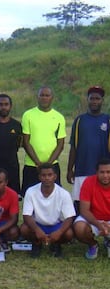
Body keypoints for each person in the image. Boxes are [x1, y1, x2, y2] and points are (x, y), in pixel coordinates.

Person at [67, 86, 109, 214]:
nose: (94, 101)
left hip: (103, 170)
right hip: (83, 168)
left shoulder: (107, 120)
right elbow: (73, 146)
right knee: (80, 203)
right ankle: (79, 227)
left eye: (97, 98)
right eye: (92, 98)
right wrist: (70, 169)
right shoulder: (79, 120)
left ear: (102, 100)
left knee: (102, 201)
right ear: (88, 100)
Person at [20, 163, 75, 258]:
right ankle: (37, 243)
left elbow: (70, 217)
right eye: (43, 175)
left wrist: (59, 232)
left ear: (55, 177)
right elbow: (26, 215)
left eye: (50, 175)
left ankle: (56, 243)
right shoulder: (31, 191)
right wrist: (37, 230)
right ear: (39, 177)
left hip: (56, 225)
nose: (47, 178)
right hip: (38, 225)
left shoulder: (63, 193)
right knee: (24, 229)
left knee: (69, 233)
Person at [21, 86, 66, 196]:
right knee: (30, 197)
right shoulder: (28, 115)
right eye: (42, 95)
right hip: (32, 165)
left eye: (47, 95)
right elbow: (26, 142)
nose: (44, 98)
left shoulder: (59, 117)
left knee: (54, 197)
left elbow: (60, 144)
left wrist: (49, 164)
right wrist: (38, 162)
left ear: (52, 98)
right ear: (37, 97)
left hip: (52, 165)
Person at [73, 158, 110, 260]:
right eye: (102, 172)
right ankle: (93, 244)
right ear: (96, 172)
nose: (105, 175)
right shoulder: (89, 182)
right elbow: (84, 210)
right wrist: (99, 225)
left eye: (108, 172)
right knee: (79, 228)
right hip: (94, 219)